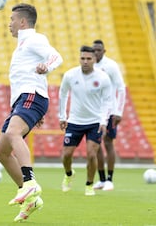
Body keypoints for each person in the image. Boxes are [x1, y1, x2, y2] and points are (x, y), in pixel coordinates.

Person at [0, 3, 63, 222]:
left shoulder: (35, 39)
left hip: (31, 96)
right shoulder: (23, 45)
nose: (10, 24)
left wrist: (47, 67)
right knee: (1, 152)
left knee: (13, 133)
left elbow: (56, 57)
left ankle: (30, 183)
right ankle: (30, 198)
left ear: (23, 22)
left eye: (12, 20)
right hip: (24, 101)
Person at [58, 46, 112, 196]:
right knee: (67, 155)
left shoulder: (102, 77)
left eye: (89, 59)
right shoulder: (70, 75)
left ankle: (89, 184)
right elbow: (63, 95)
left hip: (94, 122)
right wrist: (62, 116)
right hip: (74, 121)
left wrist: (103, 121)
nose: (86, 61)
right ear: (79, 58)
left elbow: (107, 100)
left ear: (94, 60)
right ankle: (69, 174)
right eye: (83, 58)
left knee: (91, 154)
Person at [92, 39, 126, 191]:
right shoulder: (90, 66)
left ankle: (110, 180)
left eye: (99, 50)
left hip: (110, 111)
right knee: (96, 145)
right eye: (94, 50)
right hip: (95, 111)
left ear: (104, 51)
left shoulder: (111, 66)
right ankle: (101, 179)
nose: (96, 52)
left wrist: (118, 111)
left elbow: (121, 88)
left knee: (108, 143)